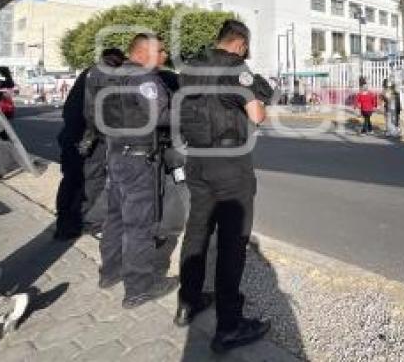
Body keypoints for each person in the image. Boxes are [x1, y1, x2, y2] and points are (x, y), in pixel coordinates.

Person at [175, 20, 275, 353]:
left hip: (197, 161)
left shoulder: (189, 69)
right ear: (240, 44)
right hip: (230, 165)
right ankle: (229, 326)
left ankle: (187, 303)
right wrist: (261, 99)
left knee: (197, 230)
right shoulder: (236, 69)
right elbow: (257, 115)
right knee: (232, 243)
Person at [86, 34, 176, 309]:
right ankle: (139, 287)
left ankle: (109, 273)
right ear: (143, 52)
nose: (164, 57)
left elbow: (93, 114)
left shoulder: (110, 75)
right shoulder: (143, 78)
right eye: (160, 51)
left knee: (115, 218)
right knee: (139, 224)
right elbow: (160, 116)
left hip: (115, 153)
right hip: (138, 159)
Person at [54, 48, 125, 240]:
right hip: (89, 140)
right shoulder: (106, 75)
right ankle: (86, 223)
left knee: (70, 180)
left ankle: (64, 224)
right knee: (92, 181)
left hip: (71, 134)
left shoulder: (88, 72)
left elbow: (70, 108)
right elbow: (97, 113)